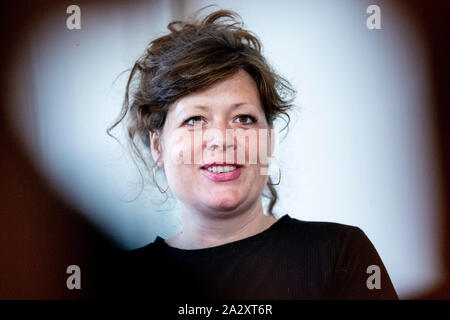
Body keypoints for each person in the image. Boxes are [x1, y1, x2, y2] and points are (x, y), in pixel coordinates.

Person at [107, 9, 398, 300]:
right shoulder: (119, 280)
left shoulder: (339, 253)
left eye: (243, 118)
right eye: (194, 120)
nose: (221, 139)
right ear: (158, 146)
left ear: (269, 139)